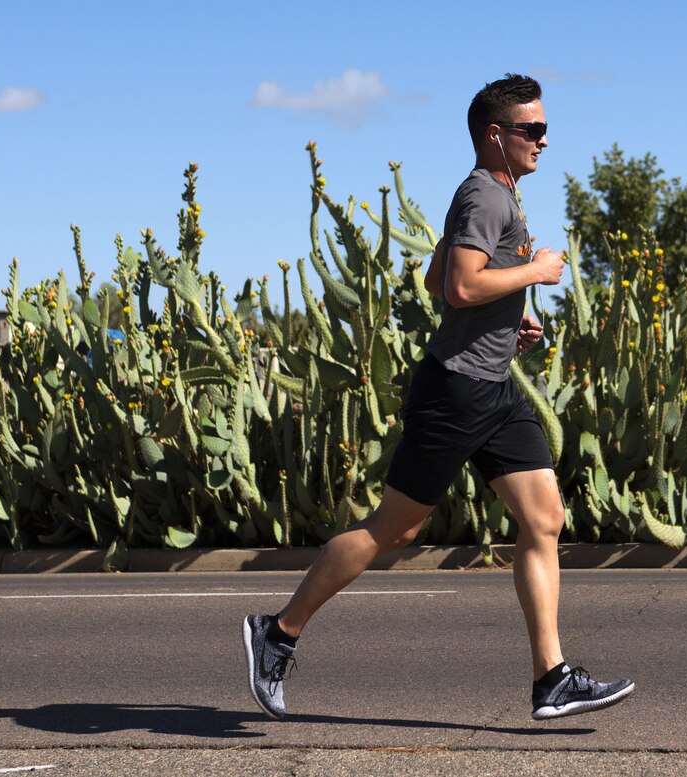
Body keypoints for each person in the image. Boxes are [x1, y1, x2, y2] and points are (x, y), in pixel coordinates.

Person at [243, 73, 634, 722]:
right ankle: (277, 634)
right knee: (394, 528)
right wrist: (535, 272)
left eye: (544, 128)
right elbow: (456, 287)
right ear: (495, 135)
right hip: (456, 391)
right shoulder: (486, 195)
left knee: (542, 519)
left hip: (493, 387)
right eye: (532, 130)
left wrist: (512, 314)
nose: (544, 139)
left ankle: (552, 678)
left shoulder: (495, 191)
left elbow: (436, 274)